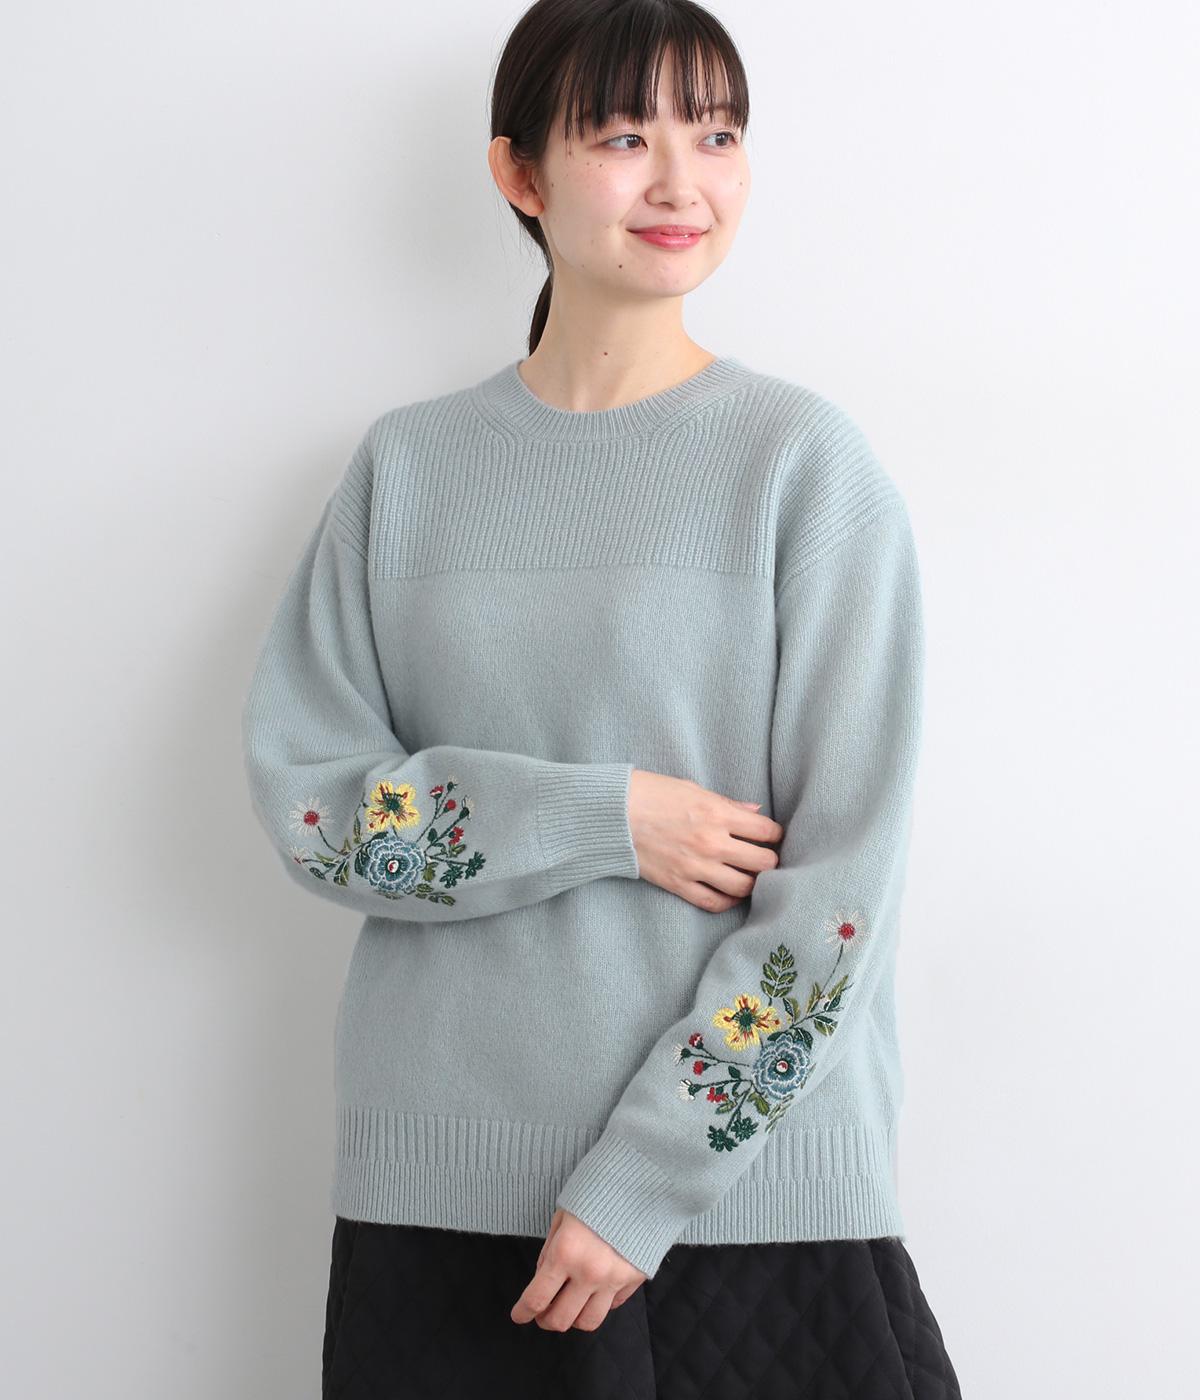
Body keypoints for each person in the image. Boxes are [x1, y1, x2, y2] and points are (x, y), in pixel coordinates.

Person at [241, 1, 963, 1395]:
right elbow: (317, 816)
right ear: (519, 173)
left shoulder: (804, 467)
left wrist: (645, 1180)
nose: (682, 181)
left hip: (744, 1210)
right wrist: (601, 819)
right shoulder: (408, 467)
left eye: (718, 134)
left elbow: (843, 898)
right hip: (442, 1205)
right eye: (626, 137)